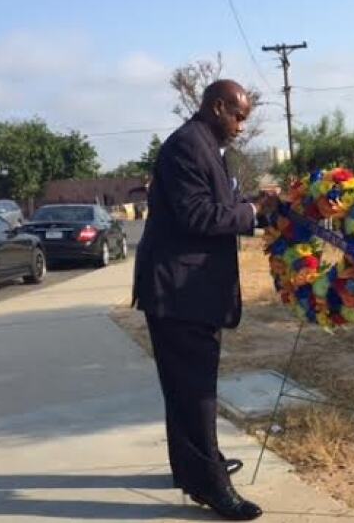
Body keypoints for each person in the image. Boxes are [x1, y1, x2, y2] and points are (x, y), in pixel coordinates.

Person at [133, 79, 276, 520]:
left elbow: (220, 205)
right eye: (239, 116)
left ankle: (196, 468)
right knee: (195, 391)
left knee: (186, 389)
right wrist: (252, 213)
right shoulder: (187, 147)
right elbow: (197, 215)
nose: (241, 125)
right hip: (180, 291)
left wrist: (254, 205)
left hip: (189, 290)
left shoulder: (208, 146)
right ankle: (213, 486)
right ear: (218, 107)